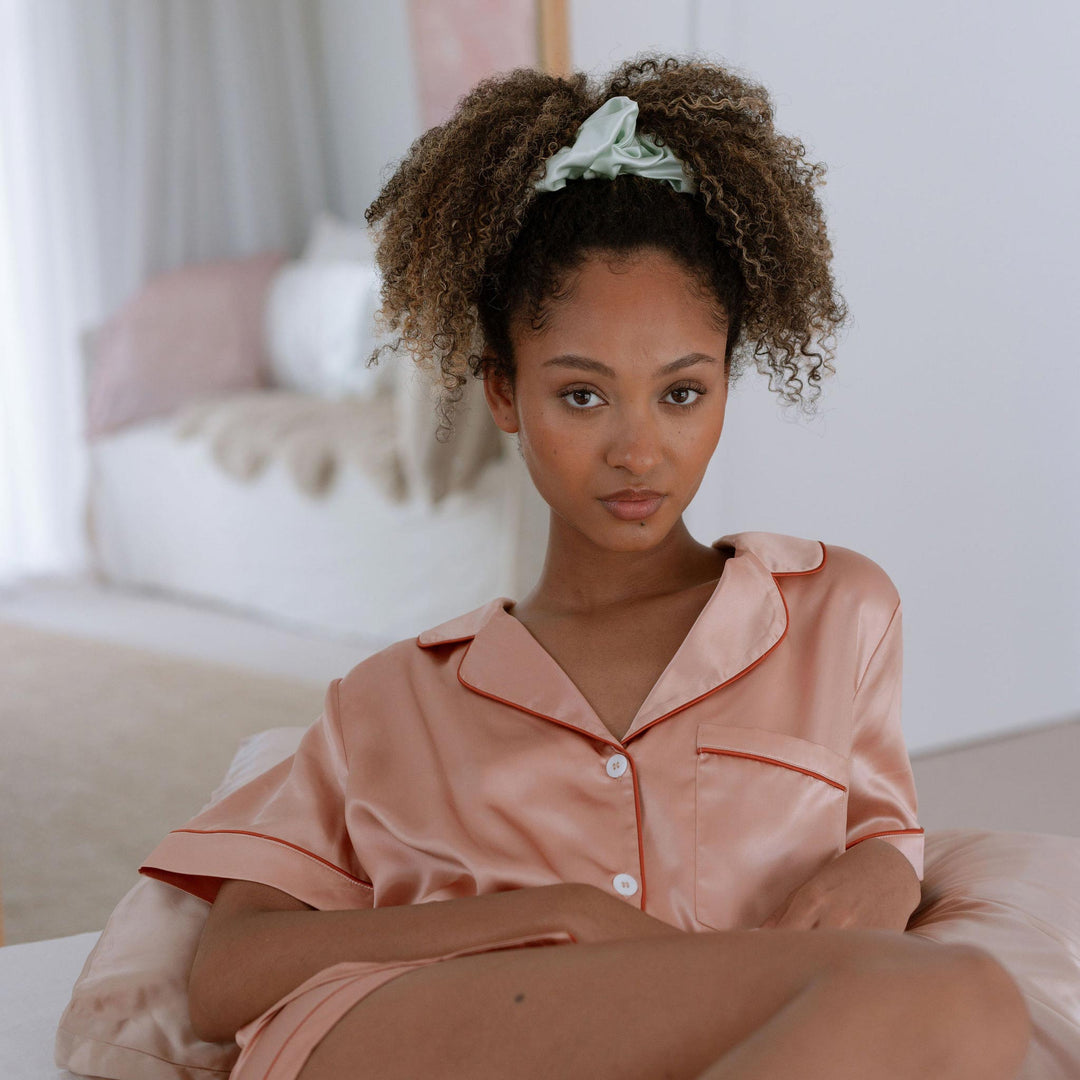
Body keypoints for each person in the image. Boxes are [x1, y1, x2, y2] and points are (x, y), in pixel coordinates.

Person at [138, 54, 1032, 1079]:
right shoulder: (392, 697)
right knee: (949, 998)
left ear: (727, 388)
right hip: (410, 1035)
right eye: (582, 395)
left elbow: (882, 827)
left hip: (712, 1035)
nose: (637, 450)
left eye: (682, 394)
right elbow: (229, 975)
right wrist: (550, 918)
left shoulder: (838, 610)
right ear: (506, 393)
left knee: (953, 1003)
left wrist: (882, 863)